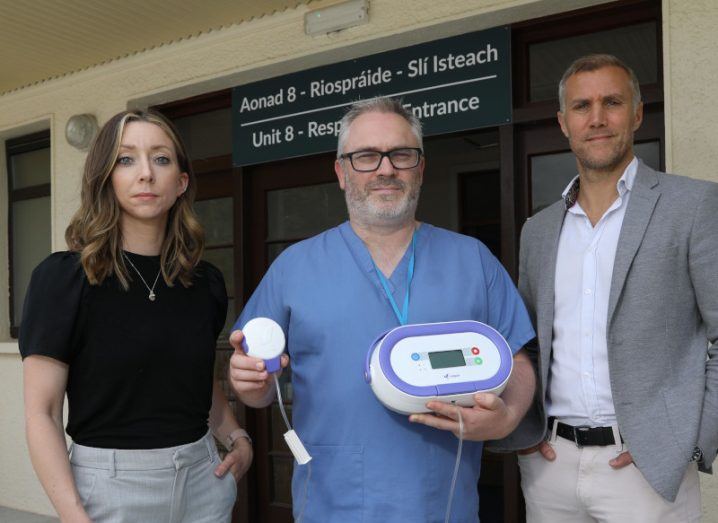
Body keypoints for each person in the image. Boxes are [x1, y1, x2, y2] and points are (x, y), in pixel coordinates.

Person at [228, 96, 536, 522]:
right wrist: (249, 384)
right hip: (332, 507)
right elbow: (260, 384)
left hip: (443, 506)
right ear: (341, 171)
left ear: (421, 168)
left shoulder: (472, 260)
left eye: (401, 155)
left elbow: (517, 359)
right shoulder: (294, 268)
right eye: (366, 156)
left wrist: (506, 420)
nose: (386, 169)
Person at [512, 54, 718, 522]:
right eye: (582, 106)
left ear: (638, 113)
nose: (598, 119)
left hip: (646, 468)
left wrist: (689, 442)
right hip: (551, 466)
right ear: (564, 123)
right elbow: (528, 344)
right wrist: (525, 433)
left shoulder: (693, 206)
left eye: (612, 102)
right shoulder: (538, 230)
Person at [20, 110, 252, 523]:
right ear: (105, 178)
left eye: (161, 159)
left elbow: (198, 380)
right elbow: (43, 412)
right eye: (126, 159)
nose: (146, 173)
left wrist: (236, 435)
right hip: (111, 490)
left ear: (181, 182)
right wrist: (74, 516)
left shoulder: (204, 282)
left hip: (203, 478)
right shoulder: (63, 279)